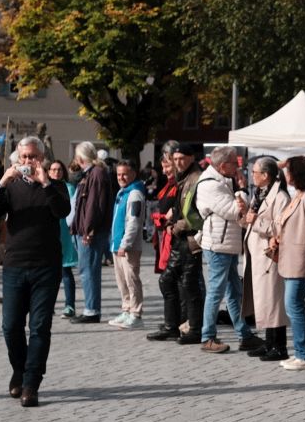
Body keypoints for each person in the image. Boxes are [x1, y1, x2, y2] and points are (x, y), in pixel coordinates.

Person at [0, 136, 70, 408]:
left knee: (39, 327)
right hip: (14, 265)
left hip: (46, 266)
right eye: (23, 157)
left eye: (33, 157)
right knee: (10, 326)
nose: (28, 162)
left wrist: (45, 182)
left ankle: (31, 383)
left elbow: (62, 210)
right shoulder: (10, 187)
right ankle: (19, 370)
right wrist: (2, 181)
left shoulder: (55, 186)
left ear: (42, 158)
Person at [194, 146, 261, 355]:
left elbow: (245, 209)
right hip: (218, 244)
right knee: (216, 291)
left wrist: (240, 195)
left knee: (234, 291)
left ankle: (244, 334)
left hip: (227, 243)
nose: (238, 166)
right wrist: (241, 189)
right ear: (223, 165)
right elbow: (235, 211)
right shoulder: (210, 185)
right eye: (234, 163)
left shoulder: (223, 181)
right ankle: (208, 336)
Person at [147, 142, 206, 345]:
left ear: (191, 158)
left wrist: (176, 225)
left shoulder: (196, 178)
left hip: (190, 240)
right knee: (169, 280)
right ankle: (172, 326)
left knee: (190, 285)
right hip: (180, 238)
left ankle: (195, 330)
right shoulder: (184, 177)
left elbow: (197, 215)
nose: (178, 162)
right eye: (176, 159)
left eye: (182, 158)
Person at [274, 156, 305, 371]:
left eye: (289, 171)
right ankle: (304, 351)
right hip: (288, 258)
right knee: (293, 306)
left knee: (294, 306)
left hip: (299, 258)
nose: (286, 175)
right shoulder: (298, 195)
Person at [243, 156, 292, 362]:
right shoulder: (260, 193)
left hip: (269, 254)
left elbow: (281, 227)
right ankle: (269, 342)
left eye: (255, 172)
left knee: (273, 301)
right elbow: (252, 221)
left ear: (265, 175)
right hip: (256, 253)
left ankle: (279, 346)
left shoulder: (280, 196)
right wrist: (244, 215)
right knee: (263, 300)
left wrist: (257, 222)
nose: (252, 176)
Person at [69, 141, 116, 324]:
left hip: (90, 232)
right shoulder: (92, 173)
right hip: (85, 229)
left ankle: (91, 310)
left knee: (88, 270)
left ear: (80, 157)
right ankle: (91, 308)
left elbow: (94, 205)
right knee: (86, 269)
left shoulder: (96, 174)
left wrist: (89, 229)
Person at [108, 161, 147, 327]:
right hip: (116, 245)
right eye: (118, 174)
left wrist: (125, 243)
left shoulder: (135, 194)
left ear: (132, 174)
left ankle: (136, 314)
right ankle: (126, 310)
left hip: (129, 247)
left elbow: (134, 222)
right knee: (122, 281)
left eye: (124, 174)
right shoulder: (122, 192)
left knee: (131, 280)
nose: (121, 178)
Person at [50, 158, 82, 320]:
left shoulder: (69, 188)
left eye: (59, 169)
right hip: (47, 234)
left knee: (65, 270)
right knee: (49, 273)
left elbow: (72, 212)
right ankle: (49, 304)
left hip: (64, 233)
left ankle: (70, 305)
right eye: (53, 169)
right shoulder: (44, 187)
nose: (56, 172)